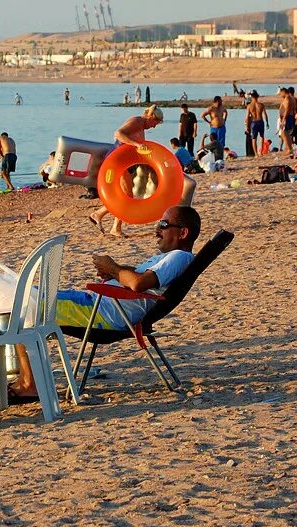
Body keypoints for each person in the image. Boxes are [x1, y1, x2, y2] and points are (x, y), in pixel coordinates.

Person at [11, 206, 201, 398]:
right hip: (101, 306)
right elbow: (140, 276)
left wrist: (113, 267)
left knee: (23, 304)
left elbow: (137, 283)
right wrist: (114, 272)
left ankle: (29, 384)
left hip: (104, 313)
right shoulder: (172, 258)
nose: (156, 229)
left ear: (183, 232)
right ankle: (27, 379)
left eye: (163, 224)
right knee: (29, 295)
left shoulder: (178, 257)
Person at [90, 105, 165, 237]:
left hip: (124, 163)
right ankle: (113, 226)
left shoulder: (141, 125)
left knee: (125, 195)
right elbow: (118, 134)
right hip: (116, 161)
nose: (154, 127)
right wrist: (137, 144)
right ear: (151, 117)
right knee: (126, 196)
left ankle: (101, 216)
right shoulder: (136, 121)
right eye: (155, 123)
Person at [244, 90, 269, 156]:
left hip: (253, 122)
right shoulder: (261, 105)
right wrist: (267, 122)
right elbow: (265, 114)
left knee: (254, 138)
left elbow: (247, 117)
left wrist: (246, 126)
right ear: (257, 96)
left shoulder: (249, 106)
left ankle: (256, 154)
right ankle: (260, 152)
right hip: (260, 121)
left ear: (251, 97)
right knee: (262, 137)